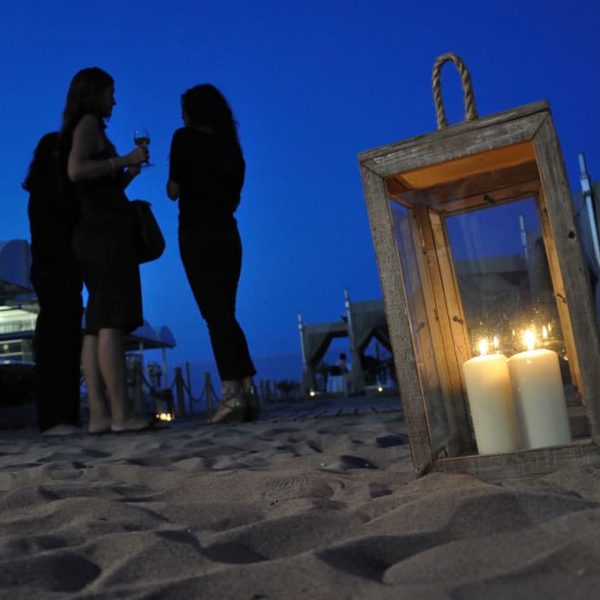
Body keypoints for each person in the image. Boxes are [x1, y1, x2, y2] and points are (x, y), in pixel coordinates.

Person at [58, 67, 151, 433]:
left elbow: (98, 187)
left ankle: (99, 415)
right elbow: (77, 170)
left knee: (97, 324)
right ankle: (122, 414)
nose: (115, 100)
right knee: (111, 319)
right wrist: (124, 160)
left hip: (90, 232)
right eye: (111, 93)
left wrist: (128, 173)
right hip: (104, 235)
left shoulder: (80, 126)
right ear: (95, 93)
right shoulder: (88, 123)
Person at [167, 83, 258, 424]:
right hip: (228, 235)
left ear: (191, 112)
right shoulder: (231, 149)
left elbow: (173, 190)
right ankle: (248, 390)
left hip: (196, 234)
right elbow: (234, 200)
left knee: (216, 316)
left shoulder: (183, 138)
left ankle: (232, 394)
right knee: (225, 313)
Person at [23, 132, 83, 435]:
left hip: (50, 270)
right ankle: (58, 417)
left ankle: (57, 417)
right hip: (58, 268)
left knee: (57, 340)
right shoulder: (53, 190)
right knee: (61, 342)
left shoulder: (40, 189)